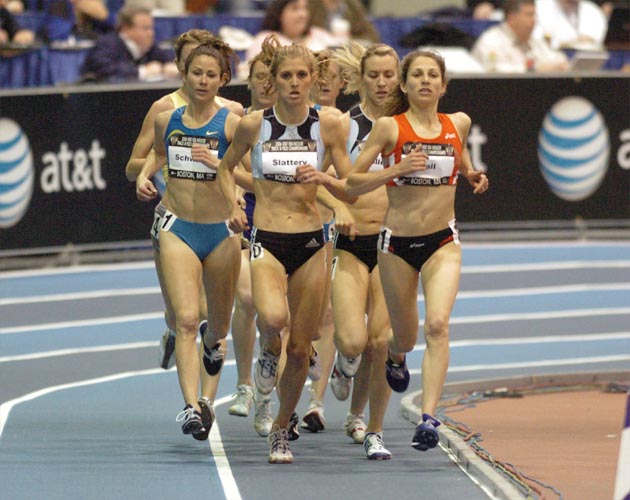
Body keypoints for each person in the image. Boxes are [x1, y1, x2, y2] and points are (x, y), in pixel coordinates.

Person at [217, 35, 353, 464]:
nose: (294, 83)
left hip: (313, 240)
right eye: (286, 76)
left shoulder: (329, 124)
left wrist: (328, 183)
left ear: (313, 79)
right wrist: (234, 204)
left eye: (301, 75)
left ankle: (281, 428)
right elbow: (224, 169)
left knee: (302, 346)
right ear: (272, 81)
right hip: (268, 237)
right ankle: (266, 351)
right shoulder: (254, 125)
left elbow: (348, 181)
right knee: (273, 317)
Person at [345, 49, 489, 452]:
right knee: (405, 336)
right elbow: (352, 183)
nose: (425, 81)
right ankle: (395, 355)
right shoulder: (390, 128)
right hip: (396, 244)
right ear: (404, 85)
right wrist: (396, 170)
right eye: (417, 75)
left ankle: (428, 417)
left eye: (433, 76)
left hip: (443, 239)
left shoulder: (457, 123)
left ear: (443, 85)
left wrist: (472, 173)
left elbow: (457, 157)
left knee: (438, 325)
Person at [135, 40, 242, 440]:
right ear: (185, 74)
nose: (203, 80)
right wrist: (145, 177)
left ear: (222, 80)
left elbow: (252, 177)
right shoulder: (167, 118)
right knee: (185, 319)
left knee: (216, 329)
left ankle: (209, 402)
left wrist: (222, 168)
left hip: (220, 232)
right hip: (178, 226)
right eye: (196, 73)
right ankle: (190, 406)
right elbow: (155, 158)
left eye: (211, 75)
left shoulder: (233, 123)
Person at [327, 41, 401, 459]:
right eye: (373, 75)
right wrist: (338, 205)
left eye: (389, 75)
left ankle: (366, 422)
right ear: (360, 78)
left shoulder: (410, 125)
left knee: (382, 341)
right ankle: (342, 361)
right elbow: (318, 179)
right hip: (354, 242)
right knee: (353, 341)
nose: (381, 82)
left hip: (395, 246)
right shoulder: (344, 124)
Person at [226, 51, 278, 436]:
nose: (267, 85)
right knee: (246, 300)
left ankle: (266, 397)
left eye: (272, 77)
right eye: (260, 77)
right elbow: (228, 170)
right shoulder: (240, 124)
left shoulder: (297, 124)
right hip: (246, 218)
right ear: (250, 81)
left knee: (277, 318)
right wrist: (235, 201)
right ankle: (245, 384)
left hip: (286, 223)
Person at [80, 5, 179, 82]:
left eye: (151, 28)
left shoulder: (148, 47)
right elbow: (104, 70)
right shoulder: (107, 44)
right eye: (145, 28)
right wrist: (142, 71)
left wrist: (172, 67)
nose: (151, 33)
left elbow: (168, 58)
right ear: (126, 29)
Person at [472, 0, 569, 72]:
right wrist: (534, 70)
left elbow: (557, 58)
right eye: (529, 15)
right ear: (512, 17)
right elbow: (493, 70)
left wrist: (560, 65)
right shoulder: (491, 41)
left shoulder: (533, 41)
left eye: (534, 15)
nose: (534, 20)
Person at [245, 0, 338, 63]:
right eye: (295, 8)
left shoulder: (319, 34)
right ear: (279, 13)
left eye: (305, 8)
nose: (303, 14)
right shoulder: (266, 40)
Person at [533, 0, 608, 49]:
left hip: (585, 62)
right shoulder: (540, 6)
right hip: (548, 58)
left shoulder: (592, 11)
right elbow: (535, 40)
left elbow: (595, 43)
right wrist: (564, 44)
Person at [308, 0, 380, 44]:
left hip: (346, 55)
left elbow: (372, 36)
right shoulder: (309, 5)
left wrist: (351, 41)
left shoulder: (352, 5)